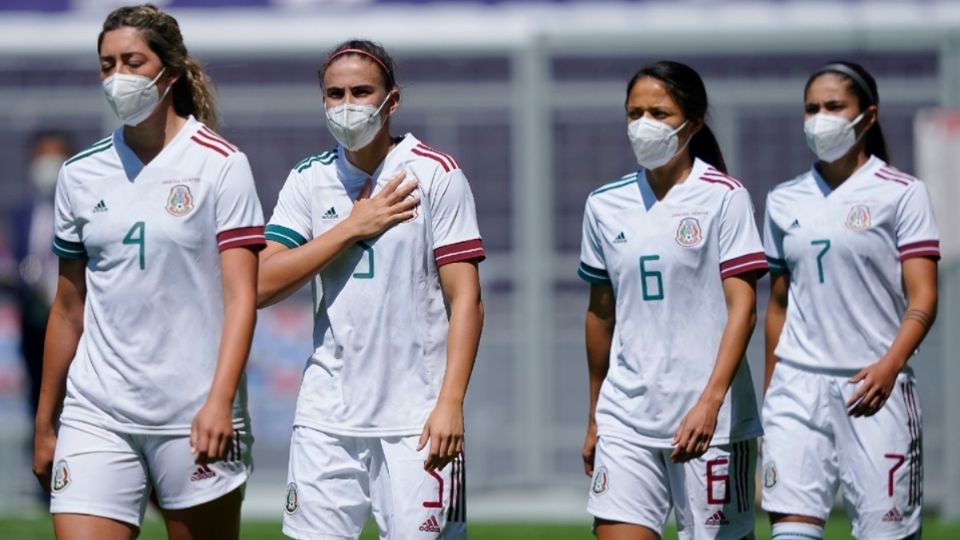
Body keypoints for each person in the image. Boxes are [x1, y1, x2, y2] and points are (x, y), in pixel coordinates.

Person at [32, 5, 265, 539]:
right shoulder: (79, 174)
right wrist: (46, 424)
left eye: (132, 61)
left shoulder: (220, 165)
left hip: (192, 415)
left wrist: (219, 402)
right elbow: (68, 309)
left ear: (171, 71)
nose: (118, 77)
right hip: (97, 412)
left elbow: (241, 299)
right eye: (107, 64)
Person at [257, 39, 484, 539]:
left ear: (392, 101)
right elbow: (258, 284)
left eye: (362, 92)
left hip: (417, 419)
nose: (347, 105)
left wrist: (451, 402)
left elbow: (465, 297)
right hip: (326, 416)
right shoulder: (308, 179)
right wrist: (350, 227)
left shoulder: (435, 174)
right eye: (335, 94)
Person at [578, 60, 767, 540]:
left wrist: (710, 402)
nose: (644, 125)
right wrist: (596, 414)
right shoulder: (604, 204)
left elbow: (743, 310)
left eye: (659, 113)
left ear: (694, 121)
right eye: (634, 113)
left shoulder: (725, 198)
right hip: (626, 418)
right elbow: (601, 314)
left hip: (710, 422)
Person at [761, 61, 938, 540]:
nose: (821, 118)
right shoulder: (782, 200)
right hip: (797, 390)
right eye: (811, 108)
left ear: (869, 116)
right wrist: (771, 392)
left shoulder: (903, 194)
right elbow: (777, 304)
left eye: (834, 106)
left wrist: (889, 365)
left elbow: (924, 297)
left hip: (874, 388)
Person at [9, 131, 72, 417]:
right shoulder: (20, 215)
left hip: (74, 320)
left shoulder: (83, 213)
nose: (48, 165)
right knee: (38, 392)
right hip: (34, 322)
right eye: (42, 157)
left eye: (55, 156)